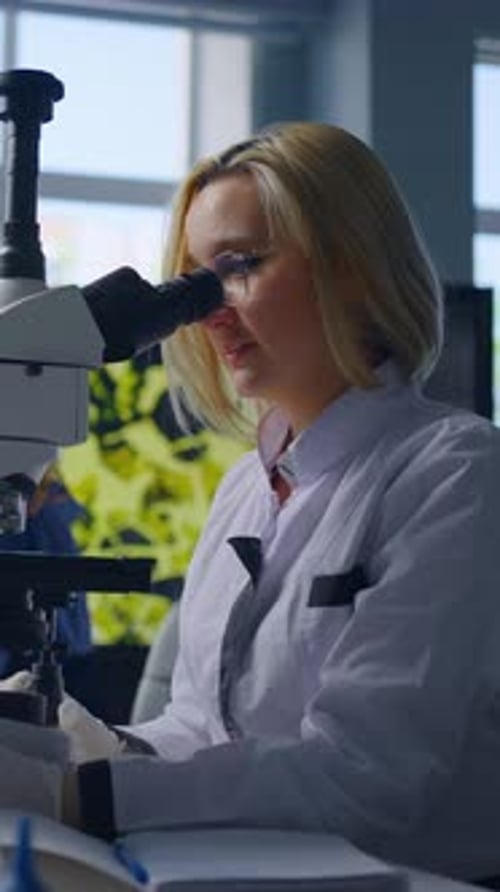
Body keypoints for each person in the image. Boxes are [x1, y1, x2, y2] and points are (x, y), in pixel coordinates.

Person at [3, 121, 500, 883]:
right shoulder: (248, 486)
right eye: (193, 281)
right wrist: (76, 742)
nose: (208, 310)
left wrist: (78, 794)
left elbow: (370, 779)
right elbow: (204, 733)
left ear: (355, 266)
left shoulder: (455, 472)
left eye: (236, 268)